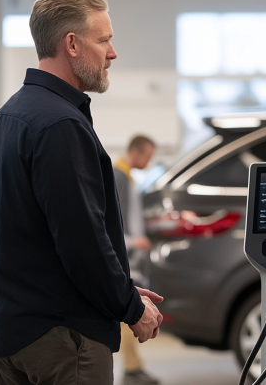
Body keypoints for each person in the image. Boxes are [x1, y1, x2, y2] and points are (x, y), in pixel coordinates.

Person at [0, 0, 163, 385]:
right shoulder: (60, 126)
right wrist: (131, 306)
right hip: (64, 342)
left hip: (12, 336)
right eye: (105, 40)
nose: (112, 53)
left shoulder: (7, 119)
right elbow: (82, 240)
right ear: (73, 44)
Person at [114, 135, 160, 385]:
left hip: (132, 256)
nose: (150, 161)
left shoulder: (128, 177)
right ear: (136, 152)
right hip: (126, 256)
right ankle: (132, 369)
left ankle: (134, 367)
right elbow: (111, 222)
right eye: (149, 156)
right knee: (129, 312)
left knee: (131, 310)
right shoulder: (118, 177)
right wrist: (133, 242)